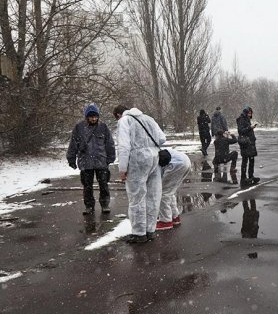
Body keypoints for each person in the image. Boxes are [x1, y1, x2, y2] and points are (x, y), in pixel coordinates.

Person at [113, 105, 166, 244]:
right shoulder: (148, 118)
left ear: (118, 115)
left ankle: (139, 233)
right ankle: (150, 230)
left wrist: (122, 169)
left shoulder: (124, 121)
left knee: (137, 197)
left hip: (137, 160)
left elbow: (124, 147)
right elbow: (162, 138)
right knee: (153, 196)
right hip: (155, 158)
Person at [66, 104, 116, 215]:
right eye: (91, 117)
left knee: (104, 184)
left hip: (101, 161)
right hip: (85, 161)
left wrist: (111, 157)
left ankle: (105, 204)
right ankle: (89, 206)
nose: (93, 119)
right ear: (86, 117)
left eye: (95, 116)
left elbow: (109, 143)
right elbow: (73, 144)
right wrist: (71, 158)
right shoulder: (79, 128)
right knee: (87, 186)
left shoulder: (103, 127)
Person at [156, 149, 192, 231]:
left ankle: (165, 221)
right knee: (169, 192)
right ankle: (174, 217)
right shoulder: (151, 150)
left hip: (176, 164)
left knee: (163, 193)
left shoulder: (144, 157)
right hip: (183, 160)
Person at [237, 105, 260, 187]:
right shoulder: (241, 119)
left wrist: (250, 128)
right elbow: (241, 131)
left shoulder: (246, 119)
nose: (250, 114)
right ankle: (244, 178)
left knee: (251, 160)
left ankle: (251, 176)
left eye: (251, 113)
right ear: (246, 112)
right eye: (249, 113)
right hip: (246, 143)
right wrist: (250, 128)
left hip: (250, 143)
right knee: (245, 160)